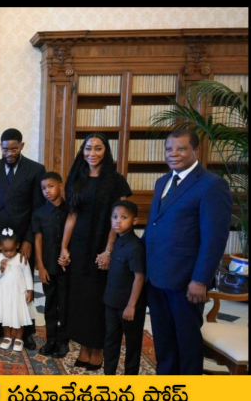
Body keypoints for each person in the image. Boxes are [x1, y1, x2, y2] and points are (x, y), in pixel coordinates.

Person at [143, 128, 232, 375]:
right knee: (163, 338)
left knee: (187, 341)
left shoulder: (212, 185)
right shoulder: (162, 181)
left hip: (186, 280)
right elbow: (153, 228)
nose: (173, 154)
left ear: (196, 150)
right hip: (156, 277)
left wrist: (200, 279)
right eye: (169, 149)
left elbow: (214, 238)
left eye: (181, 148)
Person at [59, 132, 131, 371]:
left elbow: (118, 218)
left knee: (98, 299)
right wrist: (64, 247)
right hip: (79, 245)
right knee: (79, 297)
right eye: (88, 148)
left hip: (103, 244)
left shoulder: (116, 180)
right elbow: (72, 215)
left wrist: (108, 250)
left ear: (106, 151)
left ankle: (97, 348)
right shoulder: (76, 177)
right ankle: (83, 346)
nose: (92, 153)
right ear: (83, 151)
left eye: (98, 148)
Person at [0, 128, 45, 348]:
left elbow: (37, 208)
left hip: (23, 236)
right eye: (5, 149)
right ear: (0, 147)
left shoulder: (36, 170)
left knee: (23, 284)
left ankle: (26, 332)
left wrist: (28, 240)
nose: (9, 153)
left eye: (14, 149)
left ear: (22, 146)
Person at [104, 200, 146, 375]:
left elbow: (139, 277)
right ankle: (109, 374)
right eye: (114, 217)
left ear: (134, 221)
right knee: (111, 341)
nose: (118, 221)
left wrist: (131, 305)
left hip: (129, 306)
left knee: (132, 344)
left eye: (123, 217)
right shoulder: (116, 242)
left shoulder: (135, 247)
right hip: (112, 302)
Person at [31, 171, 70, 358]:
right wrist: (40, 266)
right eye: (43, 188)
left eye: (51, 186)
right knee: (50, 304)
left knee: (65, 305)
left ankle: (63, 341)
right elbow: (38, 240)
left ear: (60, 186)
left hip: (67, 267)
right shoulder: (39, 213)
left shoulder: (70, 210)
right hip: (48, 266)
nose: (47, 191)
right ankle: (51, 340)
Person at [0, 228, 35, 352]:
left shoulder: (21, 258)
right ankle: (7, 336)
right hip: (4, 292)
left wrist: (30, 290)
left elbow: (27, 275)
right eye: (5, 251)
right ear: (0, 247)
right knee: (6, 314)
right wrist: (1, 269)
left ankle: (19, 338)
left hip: (18, 293)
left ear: (17, 246)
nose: (8, 254)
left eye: (12, 250)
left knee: (19, 314)